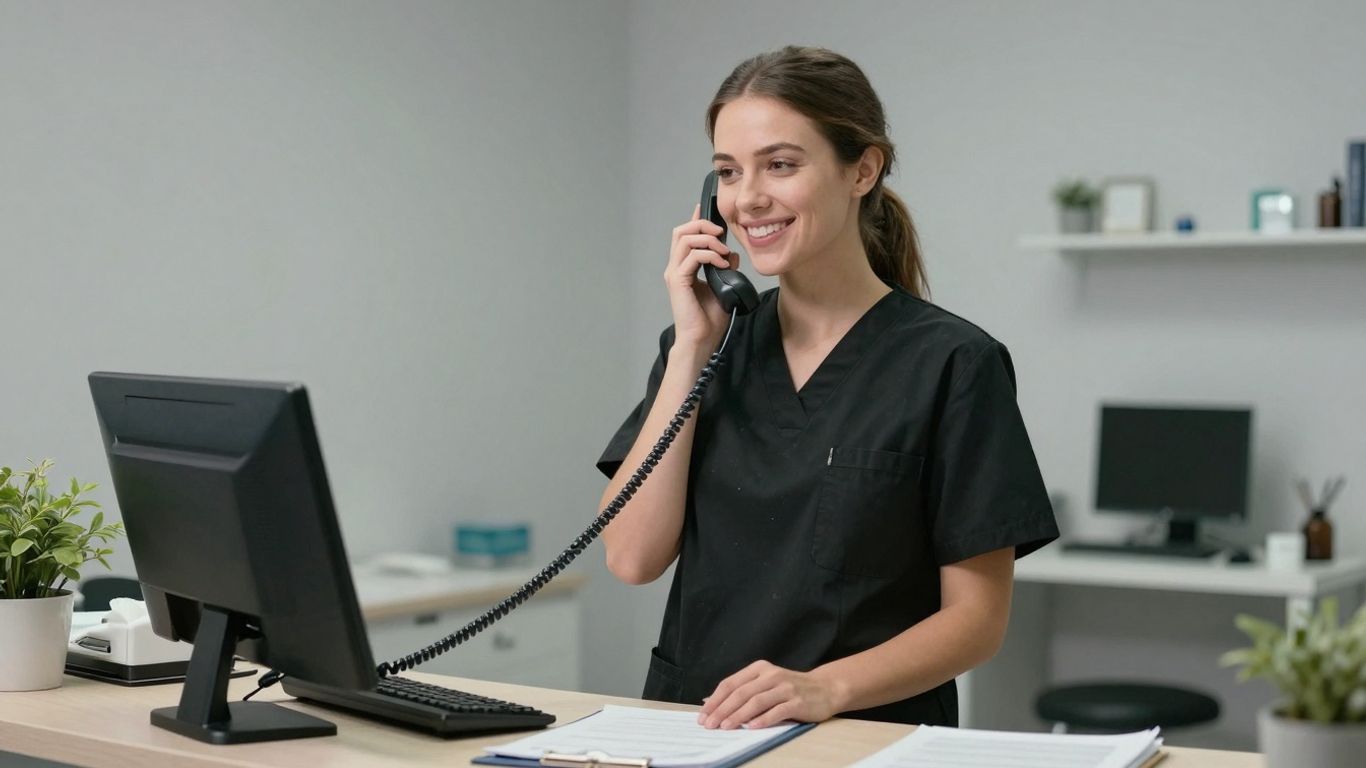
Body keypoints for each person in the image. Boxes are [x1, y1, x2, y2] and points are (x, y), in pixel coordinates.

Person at [595, 46, 1057, 731]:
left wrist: (825, 689)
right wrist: (692, 345)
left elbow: (976, 622)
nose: (748, 197)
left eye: (780, 165)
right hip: (696, 733)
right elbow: (632, 558)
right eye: (727, 172)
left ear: (862, 169)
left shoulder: (954, 363)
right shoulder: (702, 350)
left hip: (866, 738)